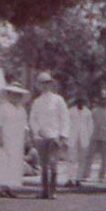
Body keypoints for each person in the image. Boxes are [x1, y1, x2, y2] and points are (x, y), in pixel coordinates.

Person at [28, 71, 69, 199]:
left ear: (51, 84)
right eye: (42, 83)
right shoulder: (37, 102)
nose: (45, 86)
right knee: (43, 165)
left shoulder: (58, 100)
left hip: (55, 136)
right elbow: (32, 118)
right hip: (41, 137)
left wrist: (63, 135)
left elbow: (65, 118)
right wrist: (37, 130)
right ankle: (45, 191)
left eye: (47, 83)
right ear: (38, 85)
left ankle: (53, 191)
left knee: (53, 163)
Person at [0, 84, 29, 195]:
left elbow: (25, 125)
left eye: (18, 94)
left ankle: (11, 187)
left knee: (15, 163)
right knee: (4, 162)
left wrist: (26, 138)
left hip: (18, 139)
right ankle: (2, 187)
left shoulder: (22, 110)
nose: (15, 96)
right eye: (13, 94)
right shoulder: (3, 107)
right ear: (8, 95)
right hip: (6, 138)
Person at [67, 97, 94, 185]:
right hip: (72, 137)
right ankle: (70, 179)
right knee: (71, 159)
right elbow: (67, 124)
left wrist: (88, 136)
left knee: (82, 159)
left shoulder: (88, 112)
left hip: (84, 138)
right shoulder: (71, 111)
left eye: (82, 102)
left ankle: (78, 178)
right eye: (79, 102)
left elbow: (90, 126)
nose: (80, 104)